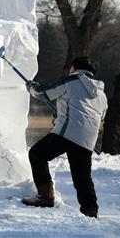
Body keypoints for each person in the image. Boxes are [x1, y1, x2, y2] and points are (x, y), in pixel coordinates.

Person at [22, 56, 107, 218]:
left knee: (37, 154)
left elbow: (42, 92)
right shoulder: (101, 94)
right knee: (82, 177)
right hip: (88, 138)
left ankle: (45, 196)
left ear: (74, 67)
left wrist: (31, 86)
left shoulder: (70, 81)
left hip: (68, 132)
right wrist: (62, 113)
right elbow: (99, 116)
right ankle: (90, 210)